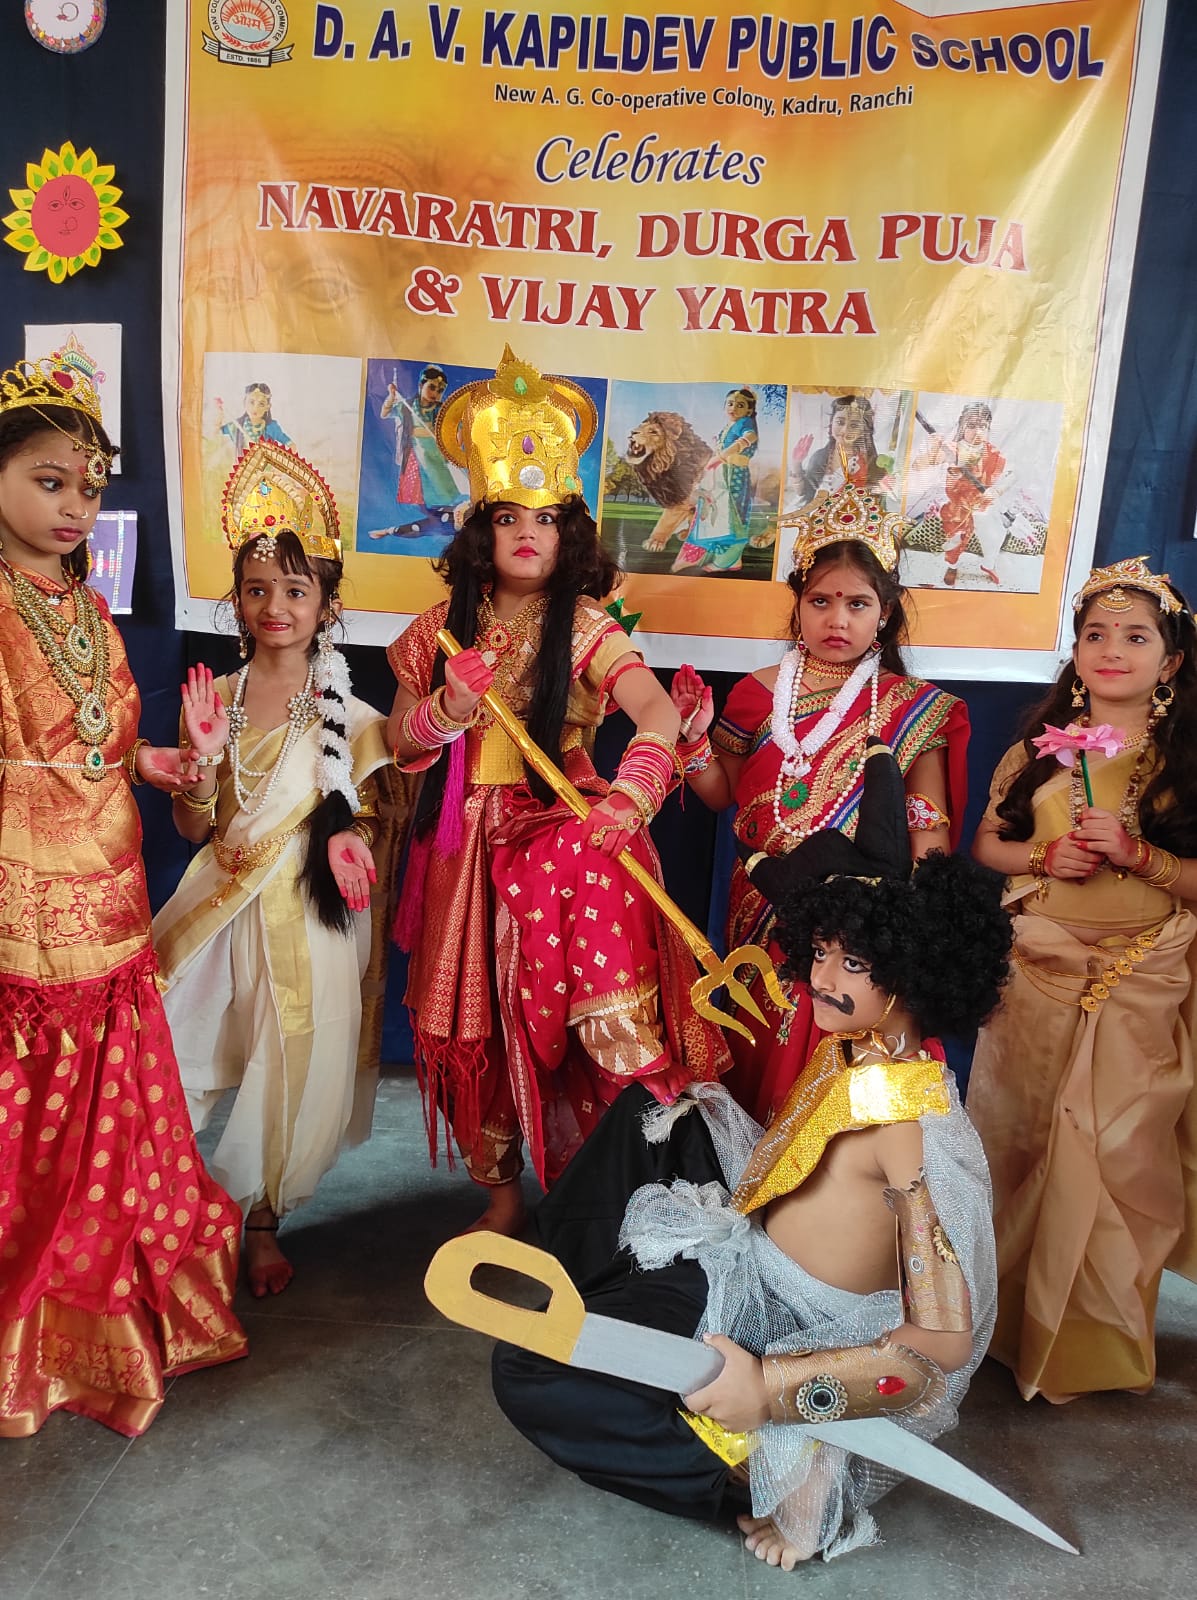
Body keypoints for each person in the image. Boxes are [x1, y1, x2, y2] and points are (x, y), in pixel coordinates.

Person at [492, 745, 1012, 1566]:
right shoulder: (852, 1051)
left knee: (530, 1375)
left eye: (853, 962)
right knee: (653, 1110)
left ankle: (753, 1469)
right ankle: (599, 1286)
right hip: (749, 1252)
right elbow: (792, 1157)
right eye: (820, 951)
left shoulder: (913, 1128)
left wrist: (770, 1393)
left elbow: (937, 1352)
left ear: (914, 975)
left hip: (794, 1323)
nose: (821, 976)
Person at [385, 345, 729, 1235]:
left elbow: (654, 712)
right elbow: (397, 742)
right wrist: (447, 709)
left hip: (567, 834)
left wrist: (630, 796)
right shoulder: (435, 631)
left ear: (568, 532)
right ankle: (501, 1197)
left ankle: (615, 1192)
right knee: (469, 1025)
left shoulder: (583, 624)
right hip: (460, 845)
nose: (526, 533)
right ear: (481, 531)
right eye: (507, 517)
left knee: (598, 1015)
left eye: (545, 517)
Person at [0, 358, 246, 1436]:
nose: (75, 508)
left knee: (106, 1113)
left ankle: (105, 1298)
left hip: (109, 890)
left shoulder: (88, 608)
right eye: (50, 481)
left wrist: (163, 762)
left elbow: (99, 744)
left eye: (90, 489)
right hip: (21, 903)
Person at [153, 441, 403, 1298]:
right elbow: (192, 824)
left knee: (285, 1063)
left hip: (301, 910)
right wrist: (198, 766)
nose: (274, 606)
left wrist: (348, 838)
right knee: (174, 1047)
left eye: (295, 590)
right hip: (216, 899)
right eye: (257, 589)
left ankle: (261, 1222)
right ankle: (165, 1211)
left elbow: (367, 809)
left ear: (327, 602)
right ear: (236, 600)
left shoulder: (350, 715)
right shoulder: (213, 700)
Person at [968, 556, 1197, 1402]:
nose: (1110, 651)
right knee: (1018, 1145)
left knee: (1115, 1157)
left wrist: (1140, 856)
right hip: (1037, 973)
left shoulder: (1183, 763)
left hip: (1143, 979)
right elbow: (987, 845)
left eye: (1134, 637)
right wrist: (1043, 857)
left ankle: (1091, 1346)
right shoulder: (1036, 754)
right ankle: (997, 1327)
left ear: (1170, 662)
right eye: (1094, 635)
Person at [670, 478, 969, 1122]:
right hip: (762, 906)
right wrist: (692, 739)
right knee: (756, 1043)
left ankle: (823, 1178)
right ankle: (751, 1168)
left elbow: (928, 828)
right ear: (798, 604)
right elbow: (722, 795)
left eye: (858, 603)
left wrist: (910, 923)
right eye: (821, 601)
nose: (838, 619)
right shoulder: (756, 692)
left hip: (856, 918)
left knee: (828, 1060)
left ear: (884, 612)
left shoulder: (913, 707)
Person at [912, 402, 1007, 587]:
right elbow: (918, 465)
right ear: (962, 425)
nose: (977, 431)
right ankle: (952, 566)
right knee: (956, 539)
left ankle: (988, 565)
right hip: (959, 505)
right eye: (971, 426)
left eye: (982, 426)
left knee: (995, 534)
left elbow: (1009, 476)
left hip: (982, 504)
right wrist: (934, 449)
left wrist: (996, 491)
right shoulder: (952, 448)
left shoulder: (993, 452)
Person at [370, 363, 468, 539]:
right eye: (432, 387)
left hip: (437, 457)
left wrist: (453, 447)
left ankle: (449, 516)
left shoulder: (442, 410)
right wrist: (391, 396)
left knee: (444, 490)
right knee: (420, 496)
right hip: (416, 454)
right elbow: (385, 413)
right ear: (421, 385)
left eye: (440, 390)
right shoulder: (407, 407)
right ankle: (431, 520)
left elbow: (459, 428)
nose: (435, 393)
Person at [670, 388, 759, 575]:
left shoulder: (745, 422)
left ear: (749, 410)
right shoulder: (729, 426)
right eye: (730, 403)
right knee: (717, 514)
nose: (733, 408)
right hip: (721, 474)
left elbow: (750, 437)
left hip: (733, 475)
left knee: (731, 516)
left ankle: (724, 560)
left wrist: (722, 456)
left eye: (740, 405)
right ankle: (732, 560)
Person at [214, 380, 292, 456]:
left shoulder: (271, 427)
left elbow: (289, 443)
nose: (255, 408)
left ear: (267, 407)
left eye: (261, 404)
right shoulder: (237, 426)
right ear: (244, 402)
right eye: (252, 402)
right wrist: (220, 414)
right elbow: (216, 432)